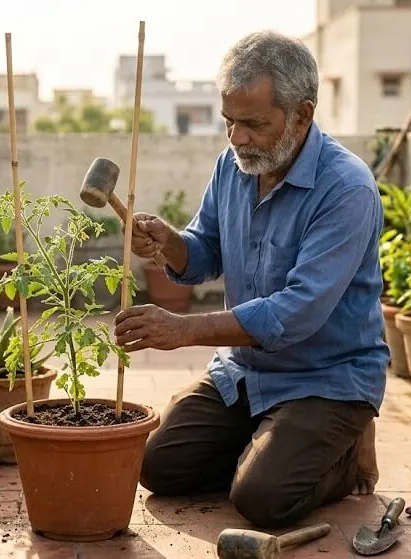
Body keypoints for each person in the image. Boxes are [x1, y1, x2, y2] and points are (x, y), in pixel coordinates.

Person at [113, 30, 389, 529]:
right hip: (245, 372)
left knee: (262, 499)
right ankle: (273, 442)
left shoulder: (347, 188)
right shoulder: (234, 166)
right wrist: (169, 242)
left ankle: (340, 452)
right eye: (229, 122)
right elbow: (203, 252)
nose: (236, 137)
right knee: (156, 466)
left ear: (302, 115)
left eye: (253, 124)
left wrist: (184, 330)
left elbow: (297, 311)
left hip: (326, 379)